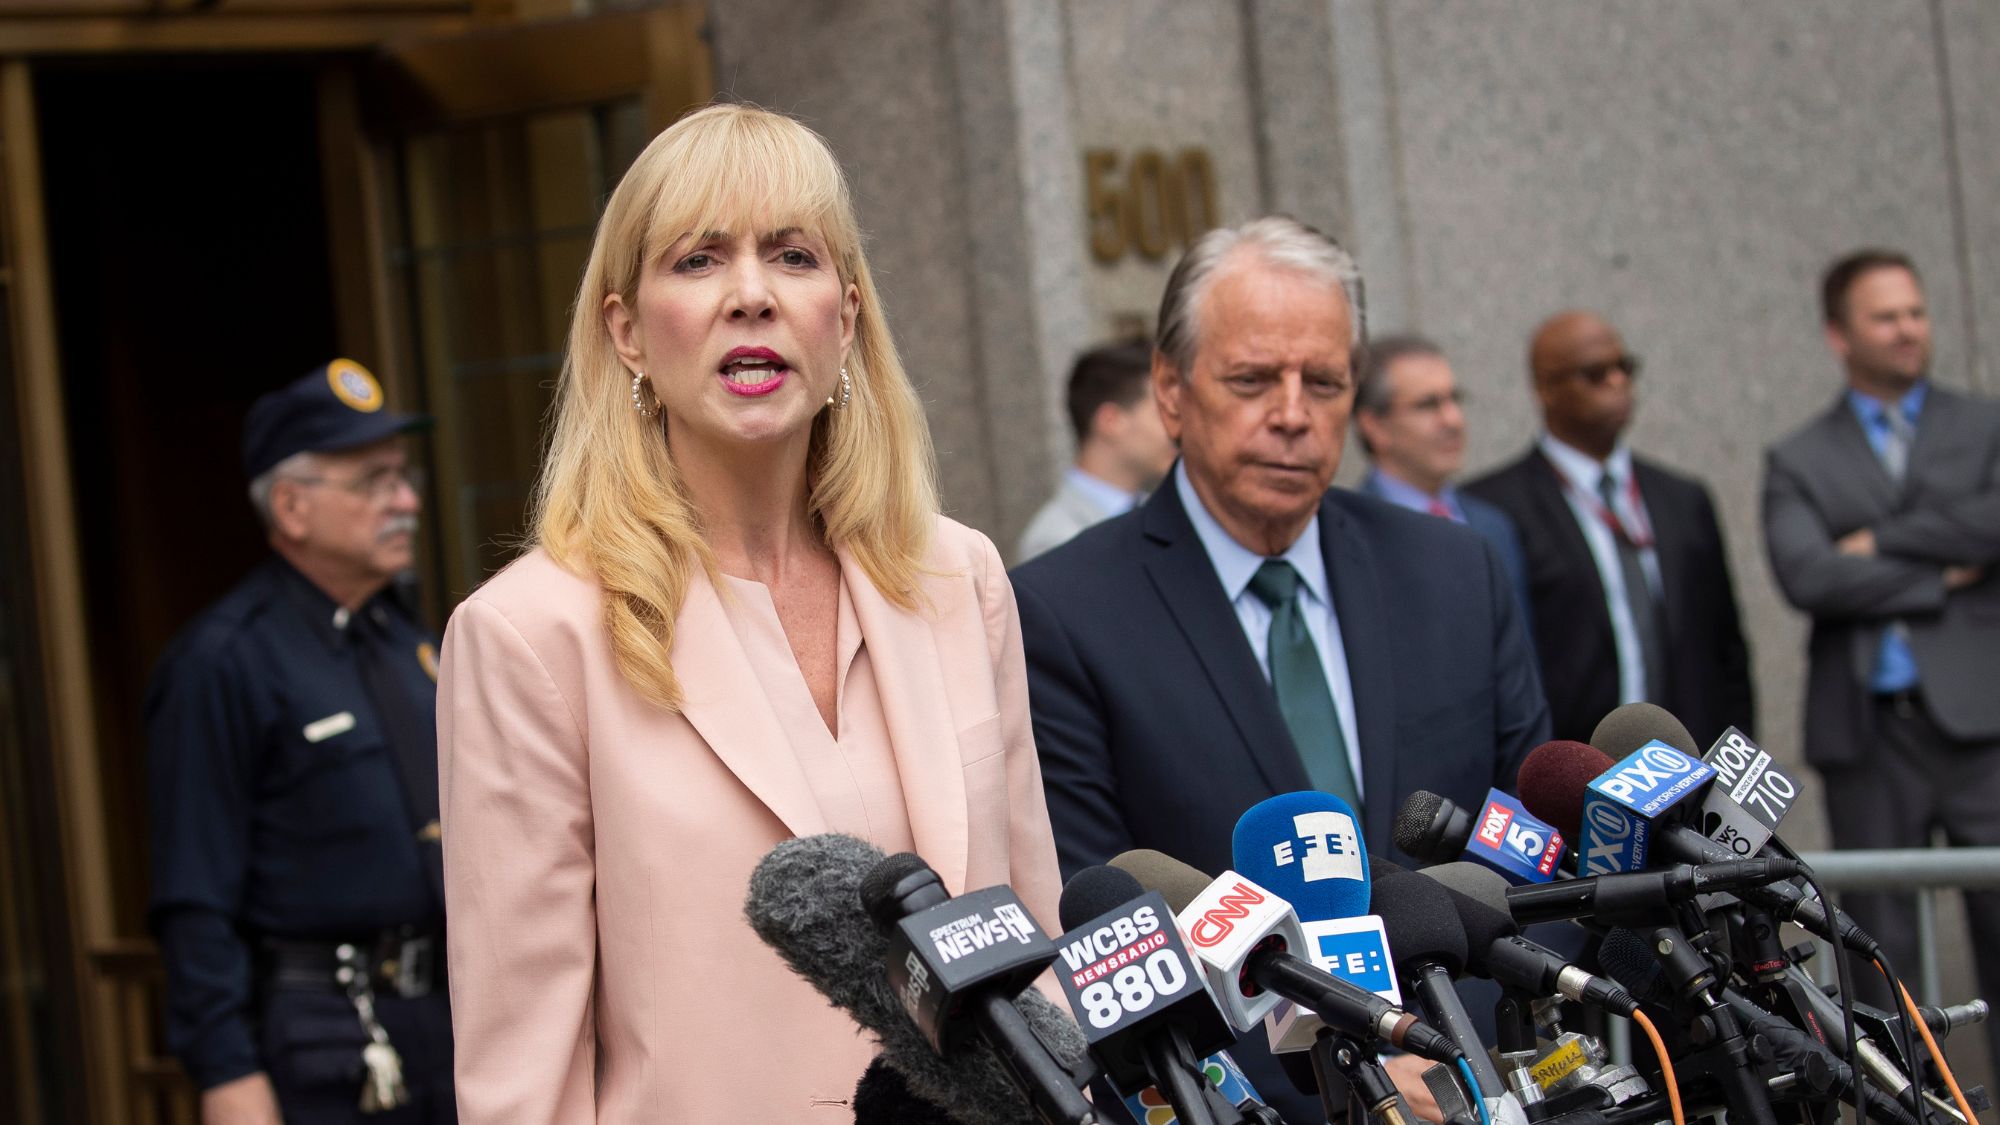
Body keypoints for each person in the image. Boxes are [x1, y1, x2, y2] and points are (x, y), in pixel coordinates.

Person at [434, 103, 1064, 1122]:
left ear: (846, 318)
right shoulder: (530, 637)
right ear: (626, 331)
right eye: (698, 259)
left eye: (791, 255)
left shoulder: (958, 579)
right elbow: (523, 1076)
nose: (751, 296)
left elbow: (1036, 947)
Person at [1012, 217, 1549, 1124]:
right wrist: (1348, 1080)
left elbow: (1527, 853)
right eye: (1253, 379)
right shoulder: (1060, 612)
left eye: (1325, 381)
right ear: (1172, 392)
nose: (1293, 412)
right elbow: (1104, 928)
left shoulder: (1455, 573)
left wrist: (1474, 1062)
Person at [147, 358, 453, 1124]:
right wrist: (227, 1073)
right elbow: (194, 896)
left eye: (403, 476)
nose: (407, 501)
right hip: (322, 1038)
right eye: (374, 482)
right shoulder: (225, 660)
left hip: (445, 1016)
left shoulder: (404, 638)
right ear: (291, 505)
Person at [1763, 249, 2000, 1071]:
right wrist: (1944, 570)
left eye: (1916, 312)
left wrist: (1883, 545)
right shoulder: (1799, 457)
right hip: (1870, 734)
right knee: (1880, 947)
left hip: (1982, 725)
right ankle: (1908, 1100)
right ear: (1839, 334)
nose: (1908, 329)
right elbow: (1809, 573)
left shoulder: (1983, 426)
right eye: (1885, 316)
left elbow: (1994, 525)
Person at [1464, 311, 1754, 748]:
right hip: (1571, 777)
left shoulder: (1682, 498)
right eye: (1595, 374)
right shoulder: (1493, 508)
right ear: (1545, 389)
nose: (1618, 383)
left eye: (1625, 368)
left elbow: (1726, 650)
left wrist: (1733, 764)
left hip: (1689, 765)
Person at [1352, 333, 1533, 625]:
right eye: (1428, 405)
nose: (1453, 420)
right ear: (1374, 426)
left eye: (1455, 399)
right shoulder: (1350, 537)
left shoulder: (1494, 526)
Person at [1014, 340, 1177, 563]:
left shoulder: (1166, 515)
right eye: (1162, 412)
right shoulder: (1055, 539)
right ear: (1111, 421)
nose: (1176, 427)